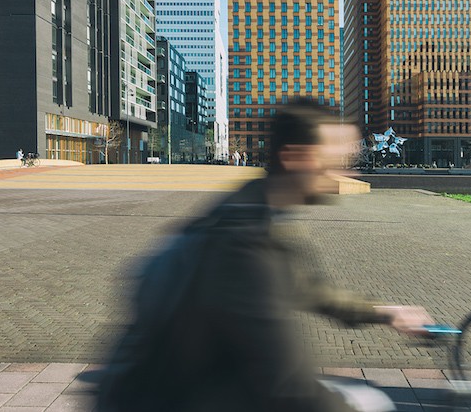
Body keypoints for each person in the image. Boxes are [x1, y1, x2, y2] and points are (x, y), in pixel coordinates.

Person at [98, 100, 431, 411]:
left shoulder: (258, 209)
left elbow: (308, 288)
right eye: (334, 161)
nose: (346, 173)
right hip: (169, 399)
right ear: (295, 157)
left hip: (199, 387)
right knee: (369, 403)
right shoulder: (244, 244)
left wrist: (384, 312)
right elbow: (287, 384)